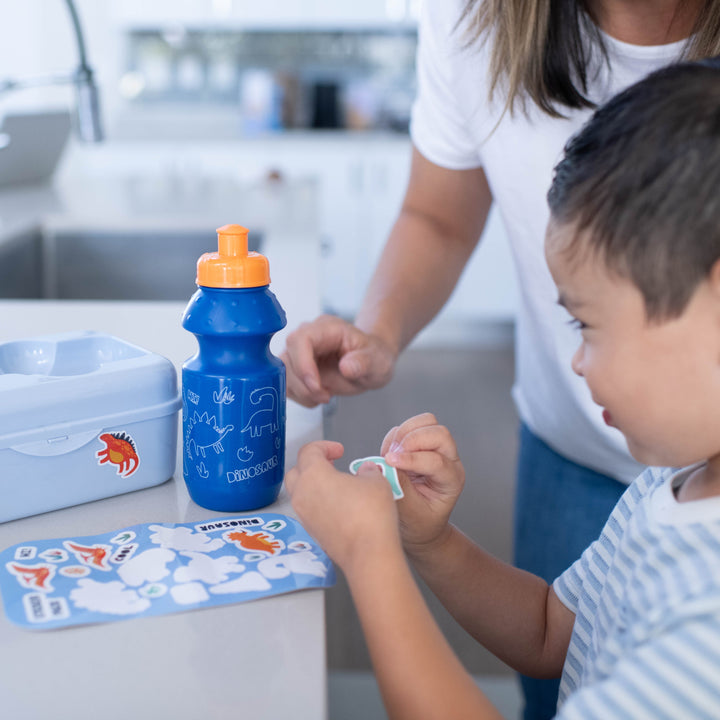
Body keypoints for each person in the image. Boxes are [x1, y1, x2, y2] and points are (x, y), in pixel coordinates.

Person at [282, 3, 720, 715]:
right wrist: (433, 543)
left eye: (588, 326)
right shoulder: (673, 483)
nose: (573, 365)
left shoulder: (705, 630)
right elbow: (556, 631)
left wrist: (371, 556)